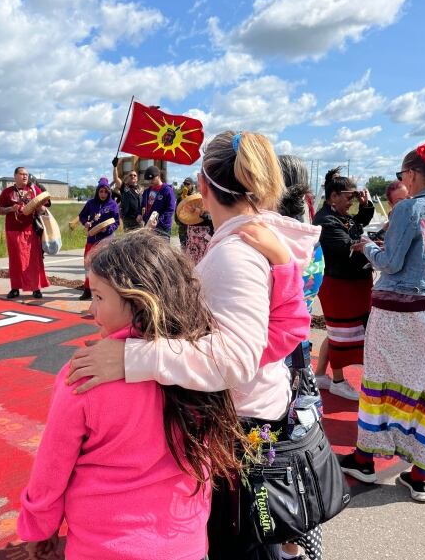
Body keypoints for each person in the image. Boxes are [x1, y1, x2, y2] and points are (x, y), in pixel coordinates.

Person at [67, 131, 319, 560]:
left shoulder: (234, 255)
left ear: (203, 186)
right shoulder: (262, 244)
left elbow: (235, 359)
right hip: (259, 411)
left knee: (237, 543)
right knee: (254, 538)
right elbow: (287, 331)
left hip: (237, 423)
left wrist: (131, 356)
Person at [18, 231, 247, 560]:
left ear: (138, 300)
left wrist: (40, 528)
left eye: (98, 297)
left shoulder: (84, 374)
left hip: (103, 546)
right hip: (185, 540)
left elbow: (51, 469)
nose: (92, 310)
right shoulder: (201, 368)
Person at [342, 141, 425, 503]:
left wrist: (366, 246)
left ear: (412, 174)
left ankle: (365, 459)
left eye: (403, 175)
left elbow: (391, 262)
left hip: (397, 316)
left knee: (382, 383)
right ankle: (420, 476)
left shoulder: (408, 210)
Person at [276, 155, 325, 560]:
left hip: (276, 359)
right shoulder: (310, 237)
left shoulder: (275, 245)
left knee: (274, 461)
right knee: (296, 453)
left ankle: (286, 542)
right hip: (299, 354)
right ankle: (299, 543)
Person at [312, 168, 375, 401]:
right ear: (334, 195)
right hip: (339, 284)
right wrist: (375, 248)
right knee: (341, 333)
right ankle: (337, 381)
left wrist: (365, 205)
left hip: (353, 284)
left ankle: (320, 374)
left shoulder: (339, 215)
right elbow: (348, 246)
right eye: (349, 197)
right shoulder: (325, 220)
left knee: (336, 332)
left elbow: (358, 223)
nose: (352, 202)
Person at [0, 166, 50, 299]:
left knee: (33, 260)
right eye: (21, 174)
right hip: (12, 230)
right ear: (15, 176)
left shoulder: (34, 190)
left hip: (30, 230)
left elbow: (43, 209)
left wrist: (39, 206)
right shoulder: (7, 192)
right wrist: (10, 208)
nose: (25, 176)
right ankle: (15, 288)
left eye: (26, 174)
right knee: (15, 261)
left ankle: (36, 288)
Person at [78, 177, 121, 301]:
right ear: (97, 191)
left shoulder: (113, 204)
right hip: (92, 239)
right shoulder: (91, 203)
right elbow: (82, 216)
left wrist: (107, 229)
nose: (103, 194)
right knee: (88, 264)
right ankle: (87, 290)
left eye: (105, 192)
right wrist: (85, 222)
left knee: (104, 266)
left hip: (106, 240)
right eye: (101, 191)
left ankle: (104, 292)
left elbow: (116, 222)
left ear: (109, 192)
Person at [138, 165, 176, 238]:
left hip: (162, 228)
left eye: (152, 178)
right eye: (149, 179)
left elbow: (170, 209)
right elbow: (142, 205)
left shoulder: (167, 190)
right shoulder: (146, 192)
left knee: (162, 249)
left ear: (158, 176)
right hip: (149, 227)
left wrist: (158, 221)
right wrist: (139, 214)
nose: (150, 181)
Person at [111, 164, 141, 231]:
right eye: (130, 175)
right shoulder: (124, 187)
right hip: (128, 220)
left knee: (139, 240)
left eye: (134, 175)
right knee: (129, 240)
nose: (132, 176)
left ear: (137, 178)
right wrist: (115, 166)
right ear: (127, 177)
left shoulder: (141, 189)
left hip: (139, 219)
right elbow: (116, 178)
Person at [176, 176, 196, 250]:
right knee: (183, 246)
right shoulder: (180, 195)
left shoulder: (195, 196)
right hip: (182, 225)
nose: (186, 186)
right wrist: (178, 221)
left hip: (192, 225)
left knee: (192, 247)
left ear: (192, 185)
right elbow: (177, 210)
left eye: (188, 184)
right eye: (185, 184)